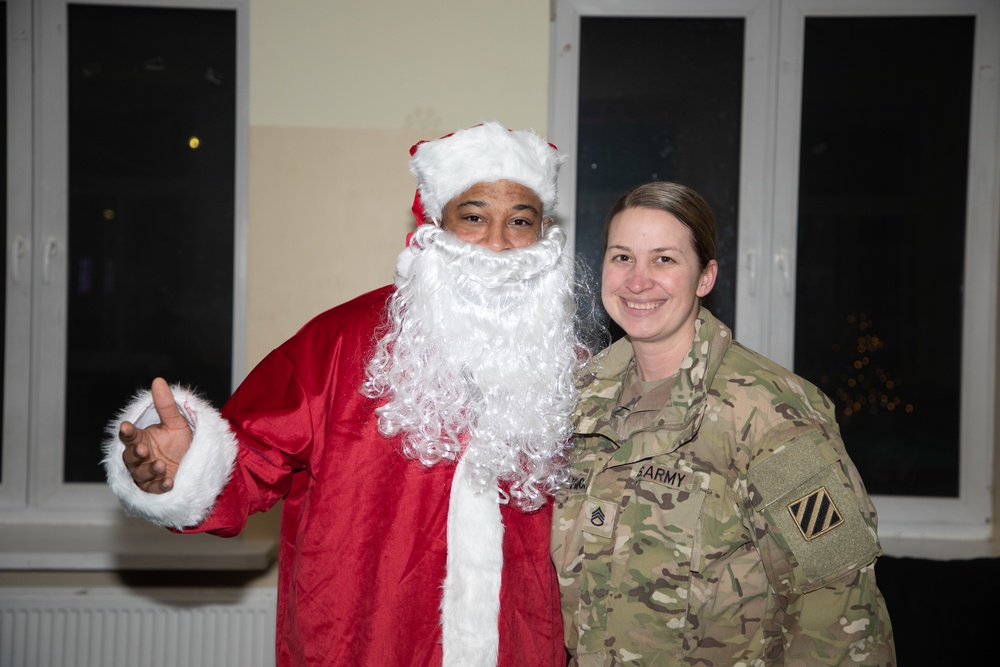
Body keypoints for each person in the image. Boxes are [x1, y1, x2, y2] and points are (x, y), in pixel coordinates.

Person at [102, 121, 587, 667]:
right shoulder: (338, 343)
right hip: (361, 643)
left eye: (520, 221)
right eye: (473, 217)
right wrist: (182, 465)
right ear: (436, 224)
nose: (497, 243)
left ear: (544, 234)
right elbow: (247, 464)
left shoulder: (569, 367)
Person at [551, 181, 896, 666]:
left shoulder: (768, 412)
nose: (637, 280)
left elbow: (840, 610)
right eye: (622, 257)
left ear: (705, 277)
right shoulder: (577, 400)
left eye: (665, 260)